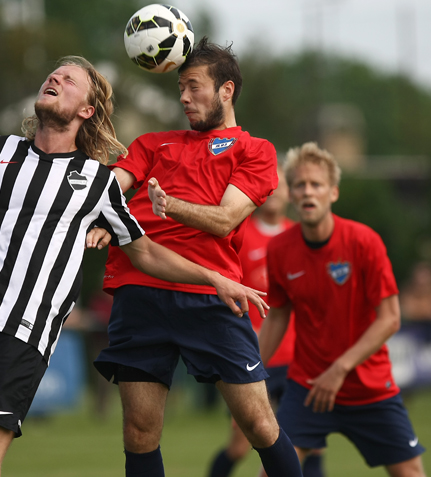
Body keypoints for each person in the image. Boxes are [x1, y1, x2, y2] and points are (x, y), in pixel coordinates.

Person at [0, 55, 265, 477]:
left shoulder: (96, 181)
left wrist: (213, 277)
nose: (54, 78)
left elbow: (144, 252)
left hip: (17, 333)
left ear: (86, 110)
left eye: (69, 80)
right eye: (54, 75)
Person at [92, 38, 302, 477]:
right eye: (180, 89)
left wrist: (168, 204)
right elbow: (112, 186)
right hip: (139, 291)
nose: (184, 98)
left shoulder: (255, 151)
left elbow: (226, 219)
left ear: (226, 90)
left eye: (194, 87)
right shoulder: (152, 143)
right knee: (139, 432)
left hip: (211, 295)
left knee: (259, 425)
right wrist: (100, 211)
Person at [260, 142, 426, 476]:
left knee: (409, 472)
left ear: (333, 192)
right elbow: (277, 315)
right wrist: (247, 378)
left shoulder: (364, 242)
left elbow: (390, 319)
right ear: (290, 194)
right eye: (300, 185)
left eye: (316, 184)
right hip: (308, 385)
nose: (308, 192)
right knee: (274, 471)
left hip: (368, 386)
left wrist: (339, 369)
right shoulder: (279, 249)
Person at [208, 166, 324, 477]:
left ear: (289, 193)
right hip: (256, 353)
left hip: (300, 358)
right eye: (269, 187)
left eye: (281, 185)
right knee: (240, 444)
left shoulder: (302, 237)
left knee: (310, 442)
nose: (274, 192)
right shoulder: (240, 232)